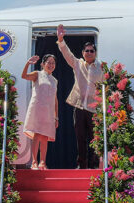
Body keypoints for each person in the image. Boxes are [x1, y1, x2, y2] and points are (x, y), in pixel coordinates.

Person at [56, 24, 104, 169]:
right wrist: (61, 40)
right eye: (86, 51)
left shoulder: (102, 67)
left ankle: (94, 165)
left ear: (95, 53)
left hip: (94, 108)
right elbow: (67, 54)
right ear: (82, 53)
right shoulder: (78, 64)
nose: (89, 53)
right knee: (80, 138)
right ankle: (82, 165)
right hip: (79, 106)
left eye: (91, 51)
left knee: (94, 138)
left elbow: (107, 85)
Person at [21, 54, 58, 170]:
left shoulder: (54, 80)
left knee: (45, 136)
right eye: (49, 62)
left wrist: (56, 117)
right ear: (43, 64)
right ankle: (34, 162)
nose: (51, 65)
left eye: (53, 63)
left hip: (49, 111)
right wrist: (28, 63)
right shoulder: (37, 74)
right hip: (37, 108)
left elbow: (55, 99)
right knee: (37, 134)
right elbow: (24, 76)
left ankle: (43, 162)